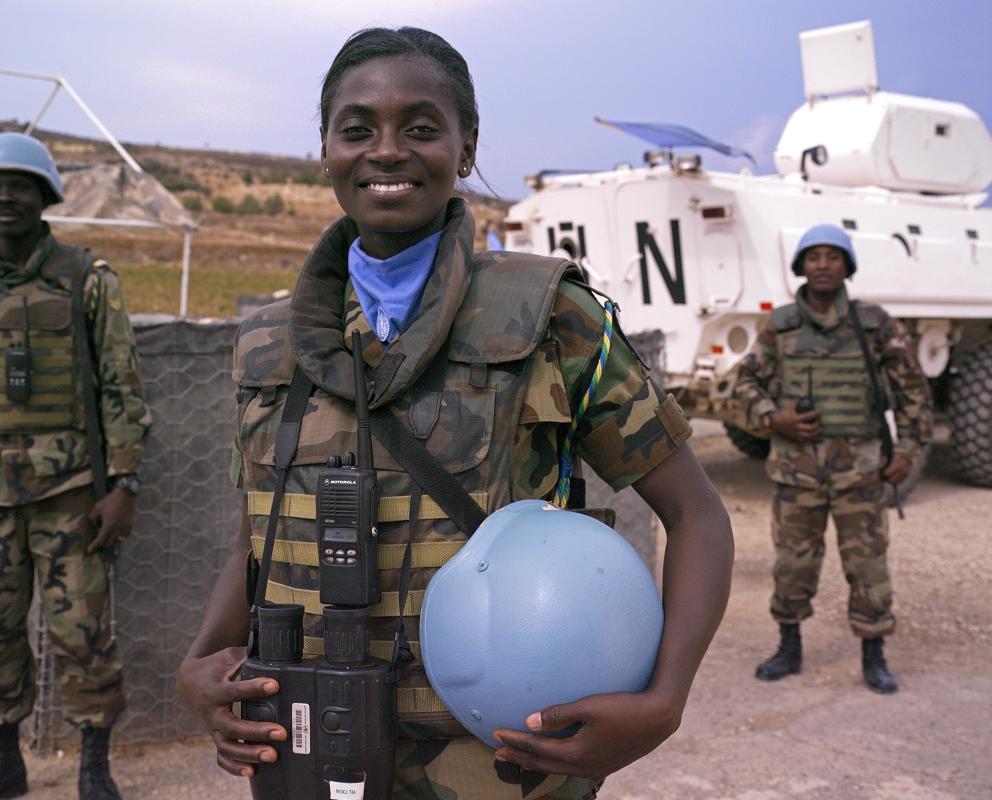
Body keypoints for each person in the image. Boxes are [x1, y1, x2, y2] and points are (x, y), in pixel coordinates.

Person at [176, 27, 733, 799]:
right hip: (311, 749)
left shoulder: (553, 317)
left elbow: (697, 513)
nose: (387, 150)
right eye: (357, 129)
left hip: (498, 762)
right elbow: (260, 528)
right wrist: (202, 661)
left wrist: (665, 700)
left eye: (420, 127)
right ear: (326, 150)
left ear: (465, 147)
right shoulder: (269, 343)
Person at [0, 131, 151, 800]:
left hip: (70, 492)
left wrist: (124, 482)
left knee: (83, 632)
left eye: (20, 185)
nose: (5, 197)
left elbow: (121, 385)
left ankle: (94, 768)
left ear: (45, 197)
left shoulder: (87, 280)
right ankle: (1, 763)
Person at [734, 223, 931, 695]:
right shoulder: (780, 326)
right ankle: (789, 647)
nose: (823, 265)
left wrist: (907, 450)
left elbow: (912, 388)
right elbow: (743, 385)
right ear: (801, 266)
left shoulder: (874, 323)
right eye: (814, 257)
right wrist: (775, 418)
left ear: (847, 266)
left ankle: (873, 655)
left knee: (868, 568)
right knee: (793, 566)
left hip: (860, 472)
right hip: (796, 472)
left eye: (833, 256)